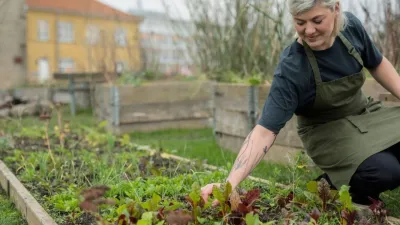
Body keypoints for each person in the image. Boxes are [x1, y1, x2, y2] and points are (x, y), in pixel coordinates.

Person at [201, 0, 400, 206]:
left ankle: (364, 164)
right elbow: (264, 132)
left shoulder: (351, 28)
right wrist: (228, 185)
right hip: (328, 134)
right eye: (300, 22)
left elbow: (377, 63)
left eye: (317, 20)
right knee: (386, 171)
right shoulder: (293, 67)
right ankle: (333, 188)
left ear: (336, 9)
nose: (309, 30)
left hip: (364, 113)